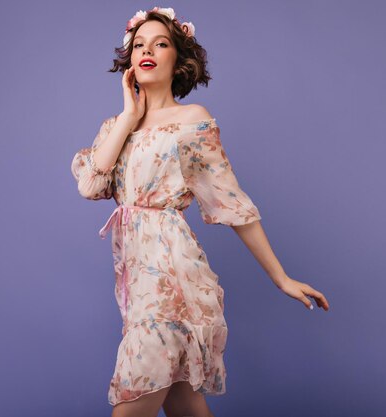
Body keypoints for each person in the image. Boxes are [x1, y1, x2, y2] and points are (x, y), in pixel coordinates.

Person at [71, 7, 330, 417]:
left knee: (134, 398)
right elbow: (90, 185)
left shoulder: (192, 122)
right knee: (185, 405)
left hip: (171, 283)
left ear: (178, 59)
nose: (147, 51)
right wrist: (129, 116)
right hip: (137, 285)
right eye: (139, 44)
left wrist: (280, 277)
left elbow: (232, 202)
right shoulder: (115, 128)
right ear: (129, 59)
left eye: (161, 44)